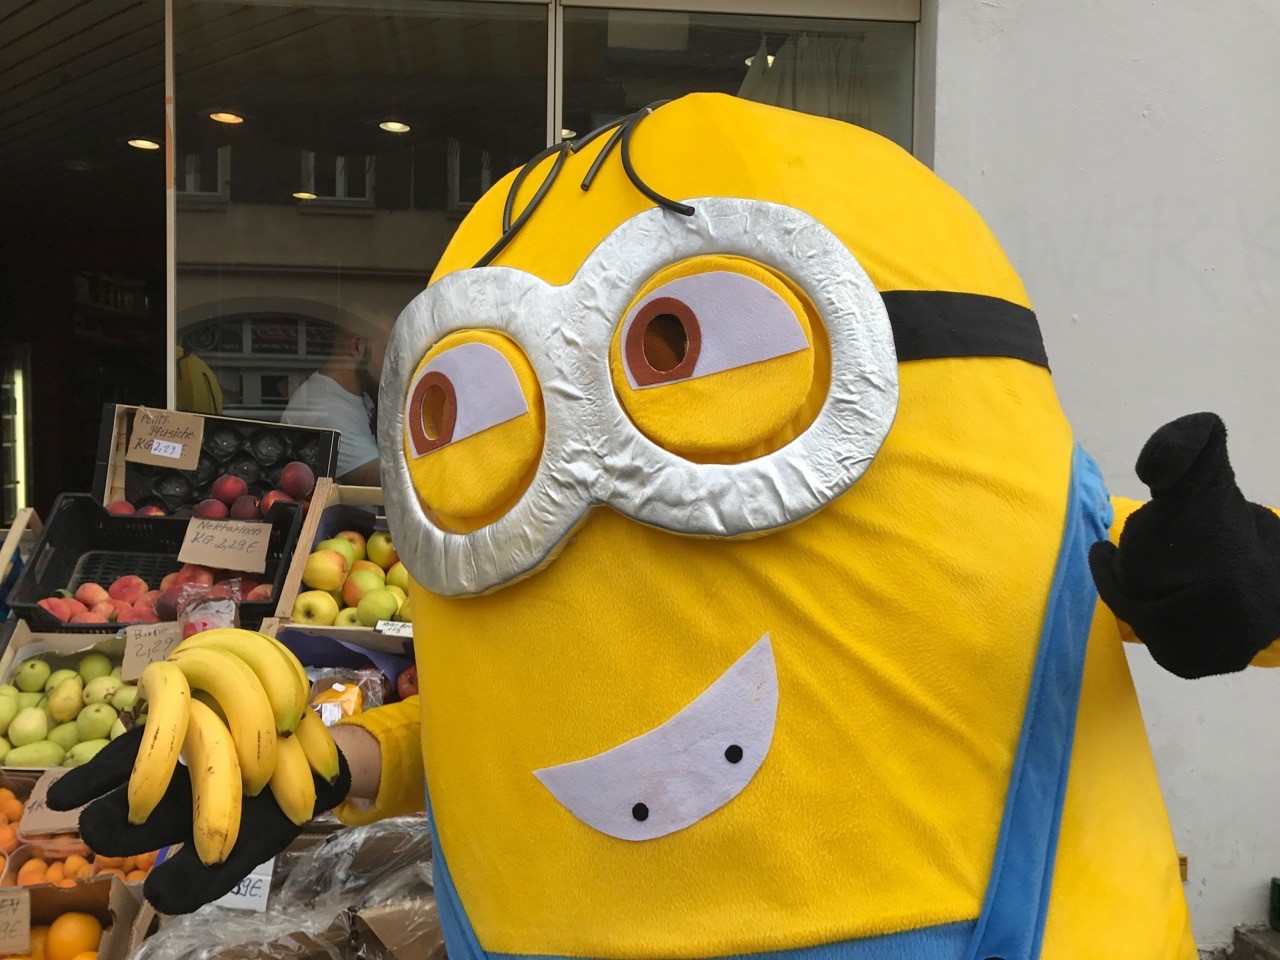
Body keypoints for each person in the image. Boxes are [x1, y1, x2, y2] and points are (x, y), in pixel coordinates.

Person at [52, 95, 1280, 960]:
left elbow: (1176, 581)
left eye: (674, 339)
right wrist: (331, 760)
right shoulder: (497, 529)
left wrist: (1237, 579)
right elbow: (513, 730)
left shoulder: (1046, 531)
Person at [281, 326, 382, 484]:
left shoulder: (361, 395)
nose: (397, 362)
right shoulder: (325, 407)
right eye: (388, 350)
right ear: (357, 347)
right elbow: (384, 479)